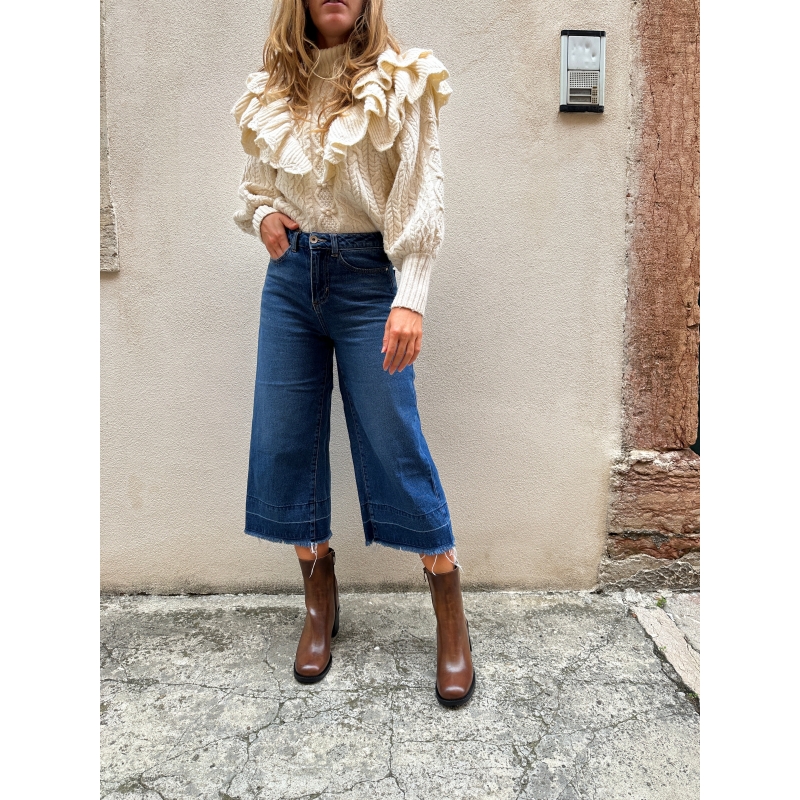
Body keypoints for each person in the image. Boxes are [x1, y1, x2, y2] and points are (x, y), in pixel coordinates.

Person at [231, 0, 474, 707]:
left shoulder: (399, 79)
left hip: (369, 280)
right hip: (290, 281)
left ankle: (449, 609)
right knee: (284, 436)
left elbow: (422, 189)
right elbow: (256, 184)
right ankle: (319, 597)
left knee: (394, 437)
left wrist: (411, 296)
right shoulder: (275, 85)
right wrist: (264, 215)